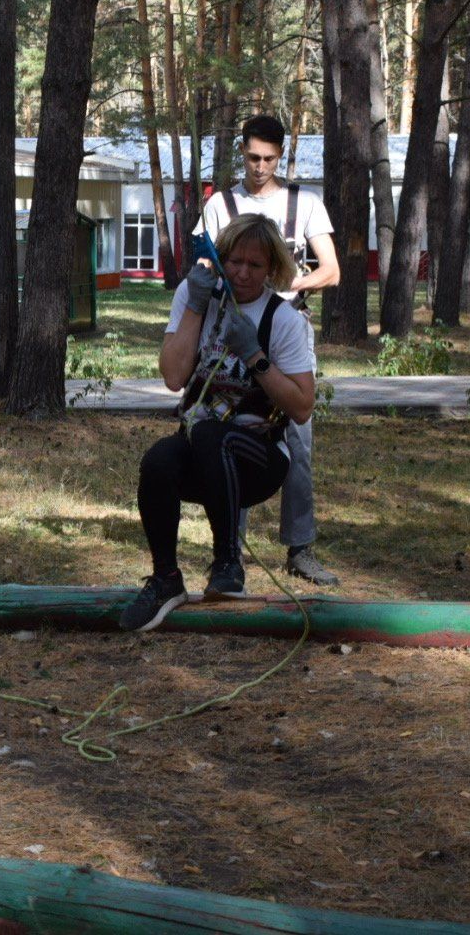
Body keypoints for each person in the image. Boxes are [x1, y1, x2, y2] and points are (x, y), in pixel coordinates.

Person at [121, 214, 317, 632]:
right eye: (233, 261)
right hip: (202, 451)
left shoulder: (281, 319)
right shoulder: (195, 296)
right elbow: (174, 377)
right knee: (158, 460)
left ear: (272, 270)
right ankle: (166, 579)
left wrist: (255, 358)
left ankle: (228, 563)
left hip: (258, 461)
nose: (242, 273)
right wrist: (194, 306)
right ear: (218, 258)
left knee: (213, 436)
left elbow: (302, 407)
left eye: (255, 265)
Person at [196, 113, 341, 586]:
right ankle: (229, 548)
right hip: (236, 333)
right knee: (227, 430)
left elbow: (331, 270)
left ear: (282, 157)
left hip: (288, 331)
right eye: (253, 157)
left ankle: (300, 548)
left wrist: (285, 283)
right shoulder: (222, 204)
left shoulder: (306, 203)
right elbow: (208, 259)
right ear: (242, 151)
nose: (260, 167)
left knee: (297, 439)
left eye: (269, 159)